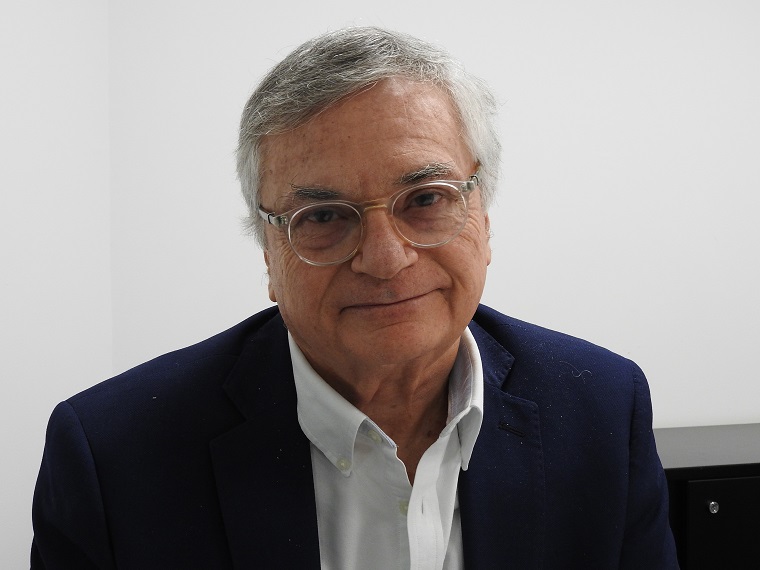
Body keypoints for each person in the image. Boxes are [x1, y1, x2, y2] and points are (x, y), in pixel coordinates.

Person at [31, 27, 678, 569]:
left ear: (483, 214)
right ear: (268, 251)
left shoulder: (600, 408)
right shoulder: (113, 457)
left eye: (425, 200)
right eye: (323, 216)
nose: (385, 258)